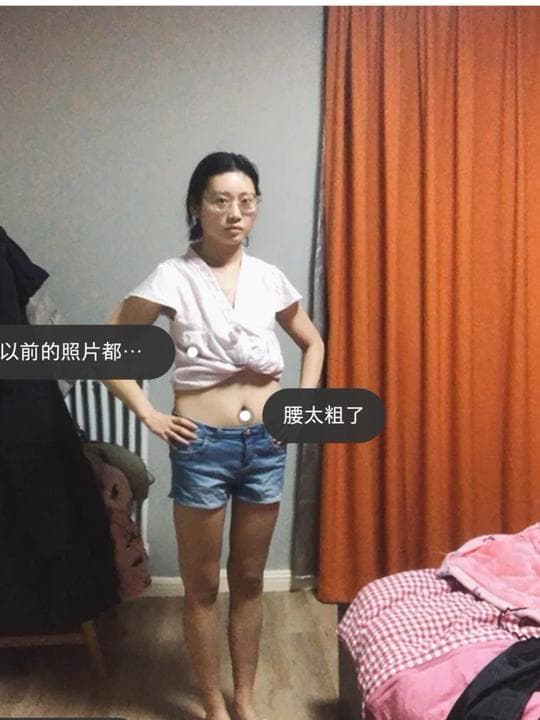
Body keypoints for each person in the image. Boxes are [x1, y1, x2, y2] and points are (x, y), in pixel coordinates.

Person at [104, 152, 325, 720]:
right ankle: (211, 707)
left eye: (246, 202)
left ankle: (243, 702)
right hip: (201, 446)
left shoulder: (269, 277)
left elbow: (312, 341)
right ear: (196, 207)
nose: (235, 213)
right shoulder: (172, 277)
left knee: (249, 580)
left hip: (266, 447)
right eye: (221, 201)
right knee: (202, 585)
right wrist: (149, 413)